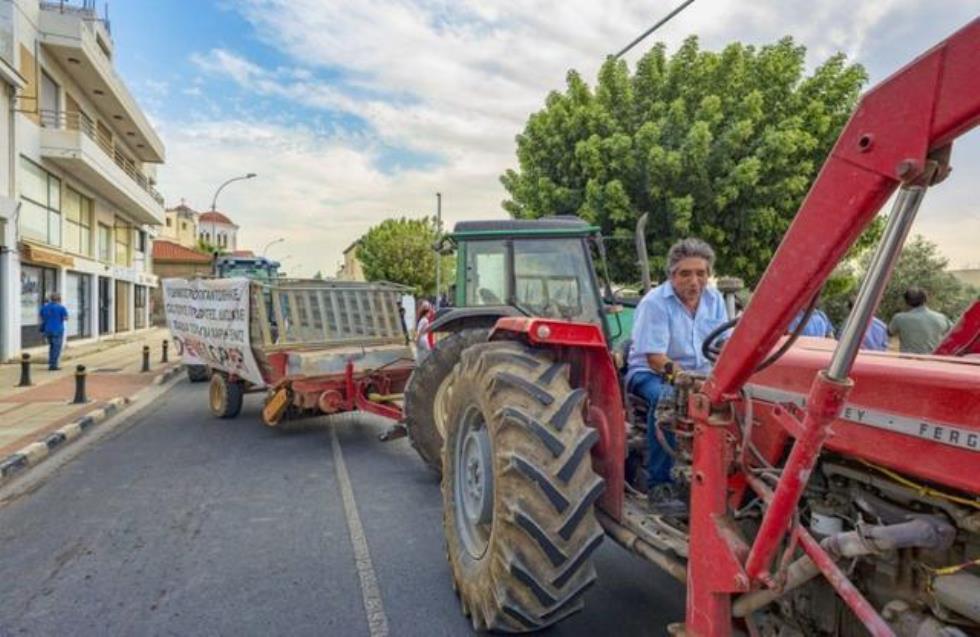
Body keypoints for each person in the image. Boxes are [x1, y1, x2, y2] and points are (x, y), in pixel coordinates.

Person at [626, 238, 728, 515]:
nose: (694, 281)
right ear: (672, 275)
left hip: (700, 373)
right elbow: (654, 357)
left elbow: (722, 345)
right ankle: (660, 485)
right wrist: (685, 378)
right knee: (668, 400)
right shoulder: (655, 303)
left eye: (701, 273)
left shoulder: (714, 299)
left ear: (708, 275)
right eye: (685, 273)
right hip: (652, 373)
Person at [888, 287, 953, 353]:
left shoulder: (899, 318)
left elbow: (889, 333)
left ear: (906, 302)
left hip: (907, 361)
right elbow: (954, 333)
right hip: (933, 360)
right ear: (926, 300)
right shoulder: (941, 317)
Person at [39, 293, 69, 370]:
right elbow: (66, 318)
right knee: (56, 348)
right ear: (59, 299)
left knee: (51, 346)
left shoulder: (44, 307)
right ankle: (53, 365)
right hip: (58, 330)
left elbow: (41, 316)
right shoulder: (61, 308)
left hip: (47, 329)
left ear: (51, 299)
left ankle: (51, 362)